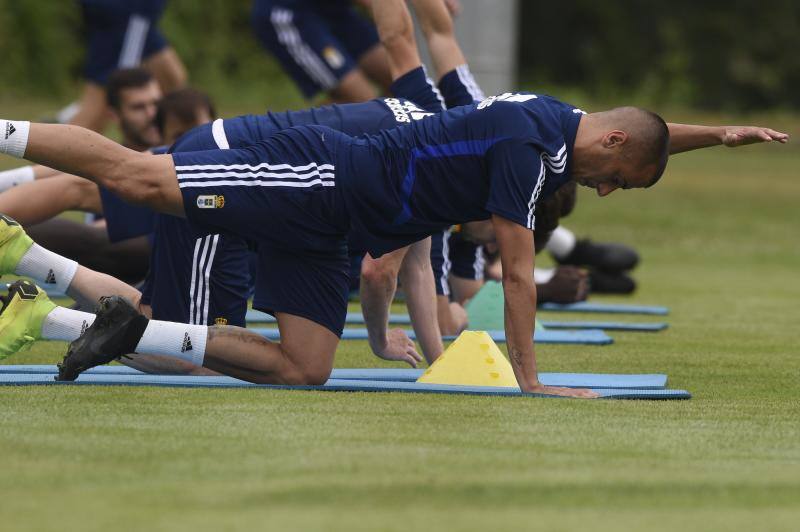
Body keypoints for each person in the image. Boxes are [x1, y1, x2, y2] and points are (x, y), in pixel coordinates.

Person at [61, 0, 187, 132]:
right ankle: (59, 143)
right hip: (128, 14)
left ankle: (163, 142)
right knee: (102, 106)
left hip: (140, 17)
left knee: (171, 79)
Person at [251, 0, 392, 103]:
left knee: (400, 77)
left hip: (332, 9)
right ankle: (291, 138)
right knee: (365, 102)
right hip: (290, 13)